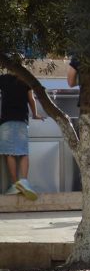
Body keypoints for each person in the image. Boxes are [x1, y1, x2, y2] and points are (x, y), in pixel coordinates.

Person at [0, 72, 43, 200]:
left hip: (6, 120)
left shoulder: (3, 78)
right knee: (24, 153)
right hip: (22, 120)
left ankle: (15, 185)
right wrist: (35, 114)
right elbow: (31, 99)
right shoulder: (25, 78)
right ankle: (24, 181)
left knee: (10, 153)